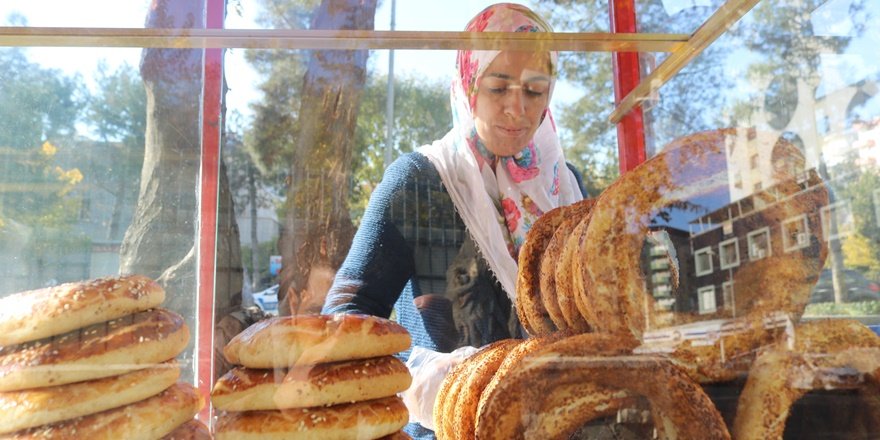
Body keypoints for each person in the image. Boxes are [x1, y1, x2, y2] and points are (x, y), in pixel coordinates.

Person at [322, 3, 584, 437]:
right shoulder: (419, 180)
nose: (518, 109)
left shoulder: (566, 182)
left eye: (535, 90)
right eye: (498, 88)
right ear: (468, 83)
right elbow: (344, 317)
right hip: (446, 429)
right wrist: (425, 380)